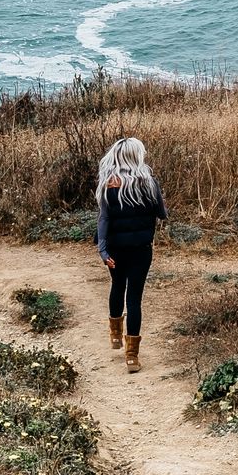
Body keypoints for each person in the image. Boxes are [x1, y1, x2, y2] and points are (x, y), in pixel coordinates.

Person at [94, 137, 167, 373]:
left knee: (117, 286)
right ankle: (132, 357)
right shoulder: (149, 183)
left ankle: (115, 334)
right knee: (134, 299)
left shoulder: (108, 184)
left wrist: (103, 250)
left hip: (115, 249)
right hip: (141, 249)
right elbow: (162, 214)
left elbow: (103, 219)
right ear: (137, 156)